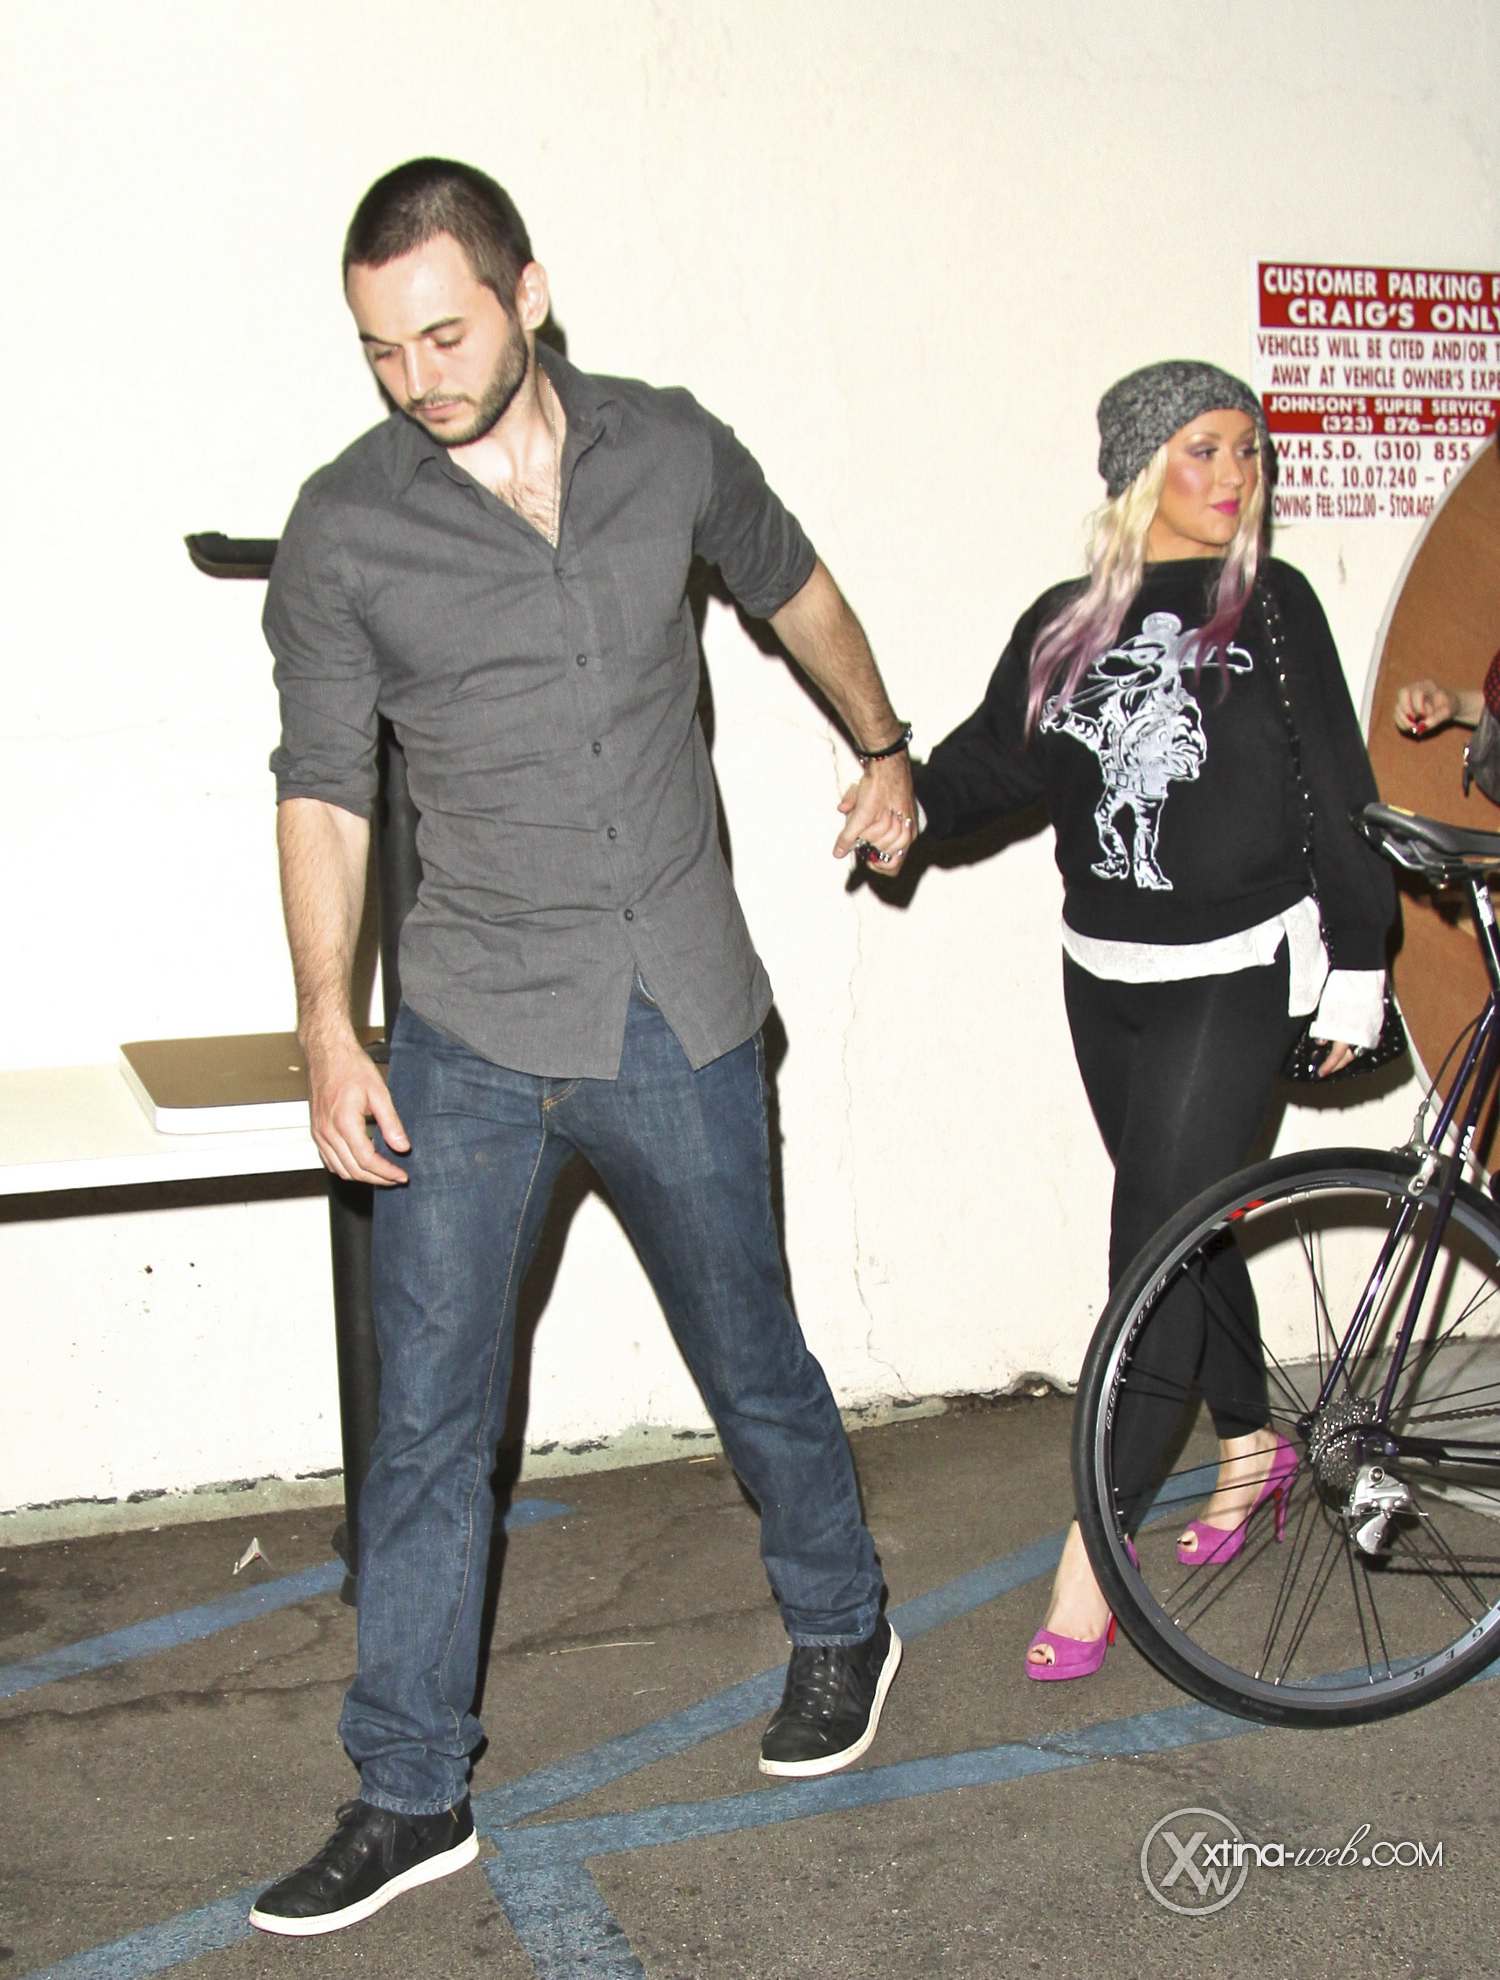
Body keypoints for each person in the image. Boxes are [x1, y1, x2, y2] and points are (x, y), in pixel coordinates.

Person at [251, 157, 913, 1937]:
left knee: (751, 1357)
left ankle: (844, 1623)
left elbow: (797, 586)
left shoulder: (671, 447)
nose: (416, 378)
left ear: (528, 294)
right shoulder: (344, 529)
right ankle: (410, 1788)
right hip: (469, 1028)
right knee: (428, 1422)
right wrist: (327, 1028)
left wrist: (885, 744)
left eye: (444, 335)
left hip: (678, 1007)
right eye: (381, 350)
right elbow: (323, 789)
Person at [903, 361, 1396, 1679]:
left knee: (1152, 1250)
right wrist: (911, 800)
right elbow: (996, 760)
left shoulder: (1271, 606)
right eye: (1202, 449)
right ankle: (1252, 1447)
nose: (1236, 474)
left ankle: (1096, 1546)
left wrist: (1360, 956)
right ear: (1137, 468)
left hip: (1236, 966)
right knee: (1192, 1223)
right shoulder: (1066, 621)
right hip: (1104, 971)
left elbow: (1338, 780)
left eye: (1248, 449)